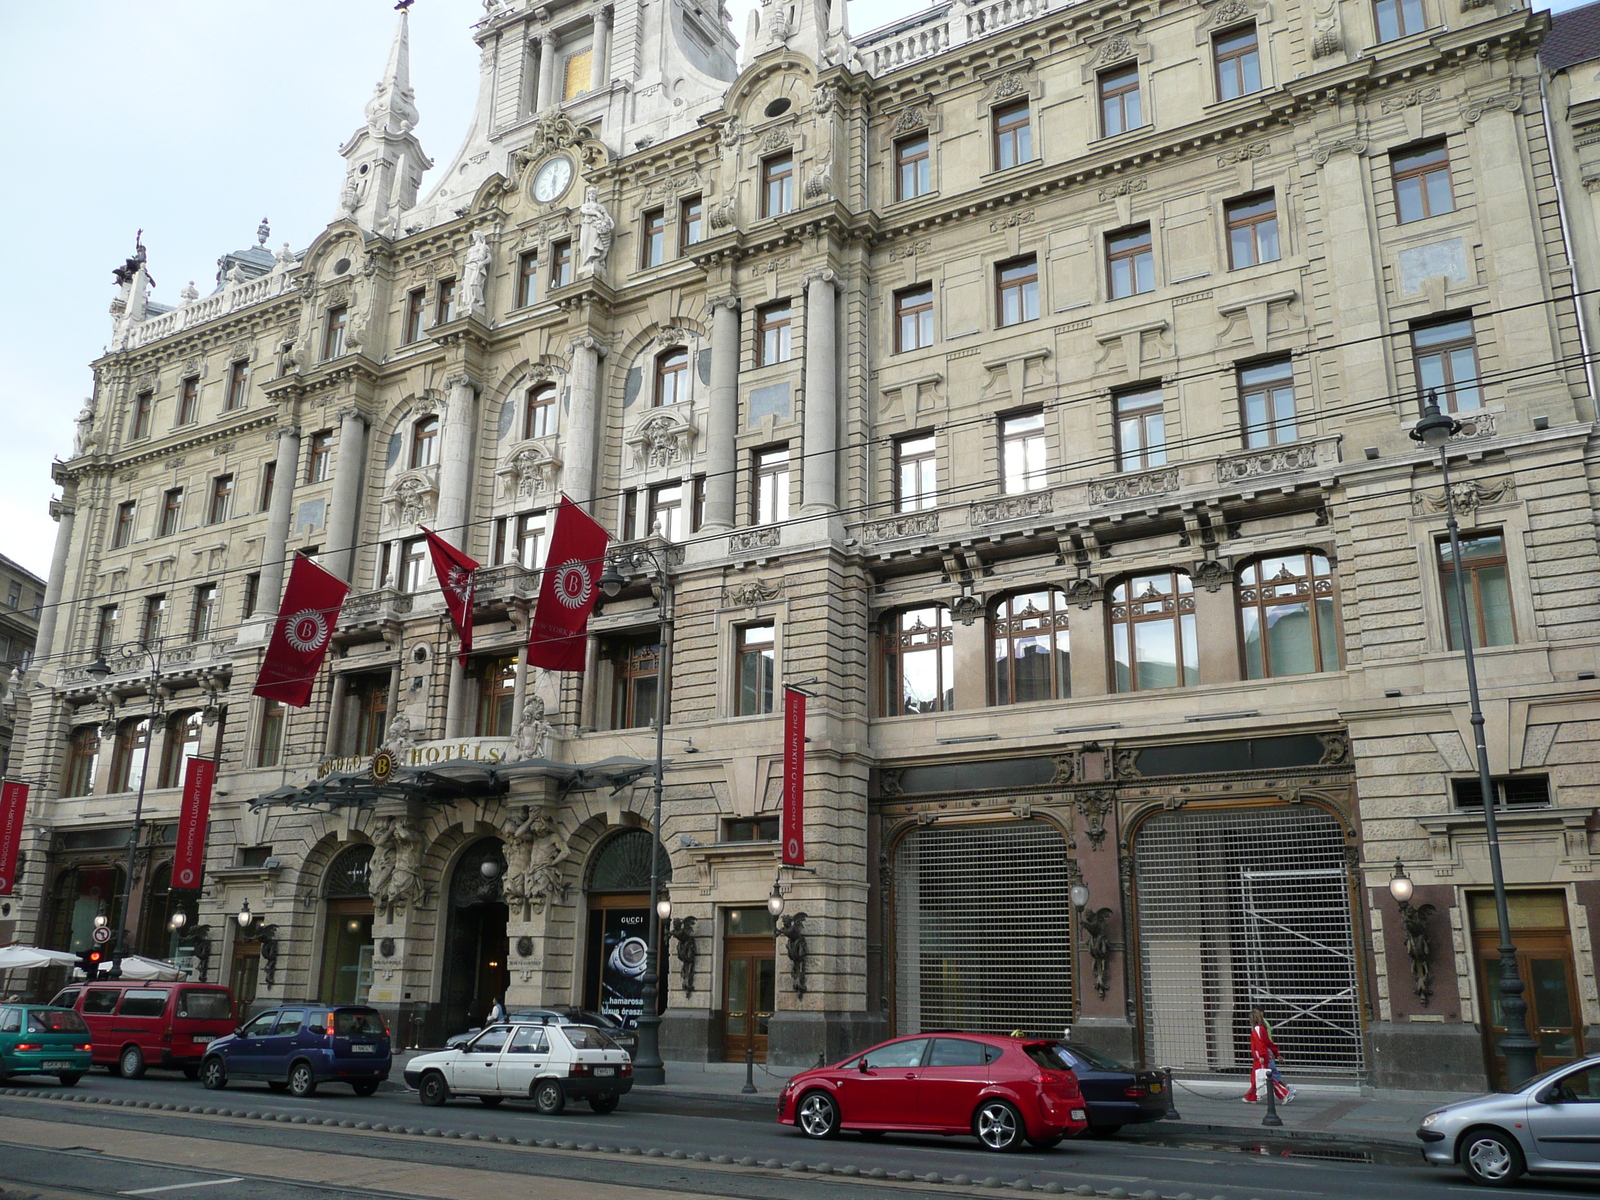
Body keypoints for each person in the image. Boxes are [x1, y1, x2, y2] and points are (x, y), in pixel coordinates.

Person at [1242, 1007, 1295, 1104]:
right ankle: (1251, 1096)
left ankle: (1284, 1094)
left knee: (1264, 1078)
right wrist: (1276, 1053)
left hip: (1260, 1057)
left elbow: (1260, 1043)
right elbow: (1269, 1043)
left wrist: (1261, 1055)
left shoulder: (1257, 1029)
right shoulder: (1262, 1028)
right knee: (1256, 1077)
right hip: (1261, 1056)